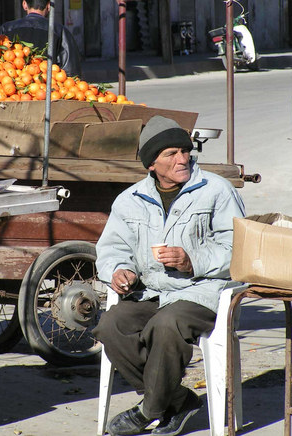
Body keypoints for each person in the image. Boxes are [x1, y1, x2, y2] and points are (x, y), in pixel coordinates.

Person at [93, 115, 246, 436]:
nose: (183, 159)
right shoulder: (130, 200)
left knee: (167, 325)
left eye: (185, 151)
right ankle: (178, 400)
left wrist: (192, 260)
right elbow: (110, 250)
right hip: (151, 292)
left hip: (203, 292)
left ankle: (148, 410)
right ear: (151, 164)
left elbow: (238, 250)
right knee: (111, 325)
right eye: (171, 154)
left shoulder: (216, 191)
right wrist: (120, 271)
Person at [0, 0, 81, 77]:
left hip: (10, 88)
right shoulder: (60, 32)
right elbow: (71, 73)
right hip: (48, 89)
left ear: (24, 4)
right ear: (49, 6)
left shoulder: (6, 29)